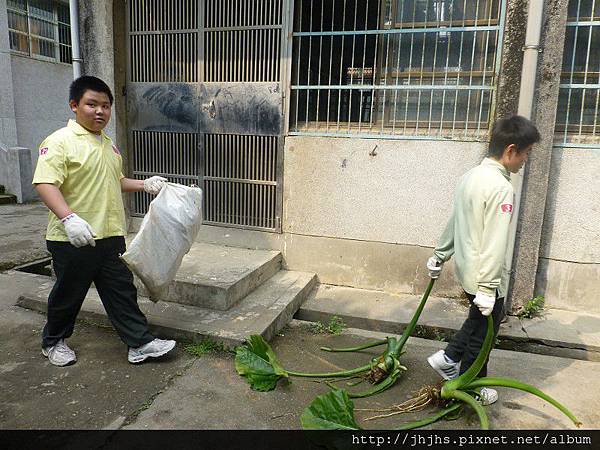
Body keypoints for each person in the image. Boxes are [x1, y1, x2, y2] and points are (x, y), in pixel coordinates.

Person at [33, 75, 176, 367]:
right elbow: (45, 183)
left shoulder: (108, 145)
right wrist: (68, 218)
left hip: (109, 235)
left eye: (106, 106)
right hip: (73, 237)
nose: (100, 111)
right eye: (92, 104)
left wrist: (145, 185)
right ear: (75, 105)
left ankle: (139, 343)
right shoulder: (60, 141)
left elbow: (115, 180)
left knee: (122, 291)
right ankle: (53, 342)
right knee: (68, 295)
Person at [425, 115, 541, 405]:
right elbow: (494, 242)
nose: (525, 161)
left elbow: (455, 221)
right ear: (511, 150)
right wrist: (490, 288)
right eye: (525, 154)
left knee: (477, 323)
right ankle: (472, 387)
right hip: (485, 277)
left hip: (468, 272)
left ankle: (448, 357)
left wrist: (440, 254)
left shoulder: (470, 177)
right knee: (483, 336)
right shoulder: (502, 188)